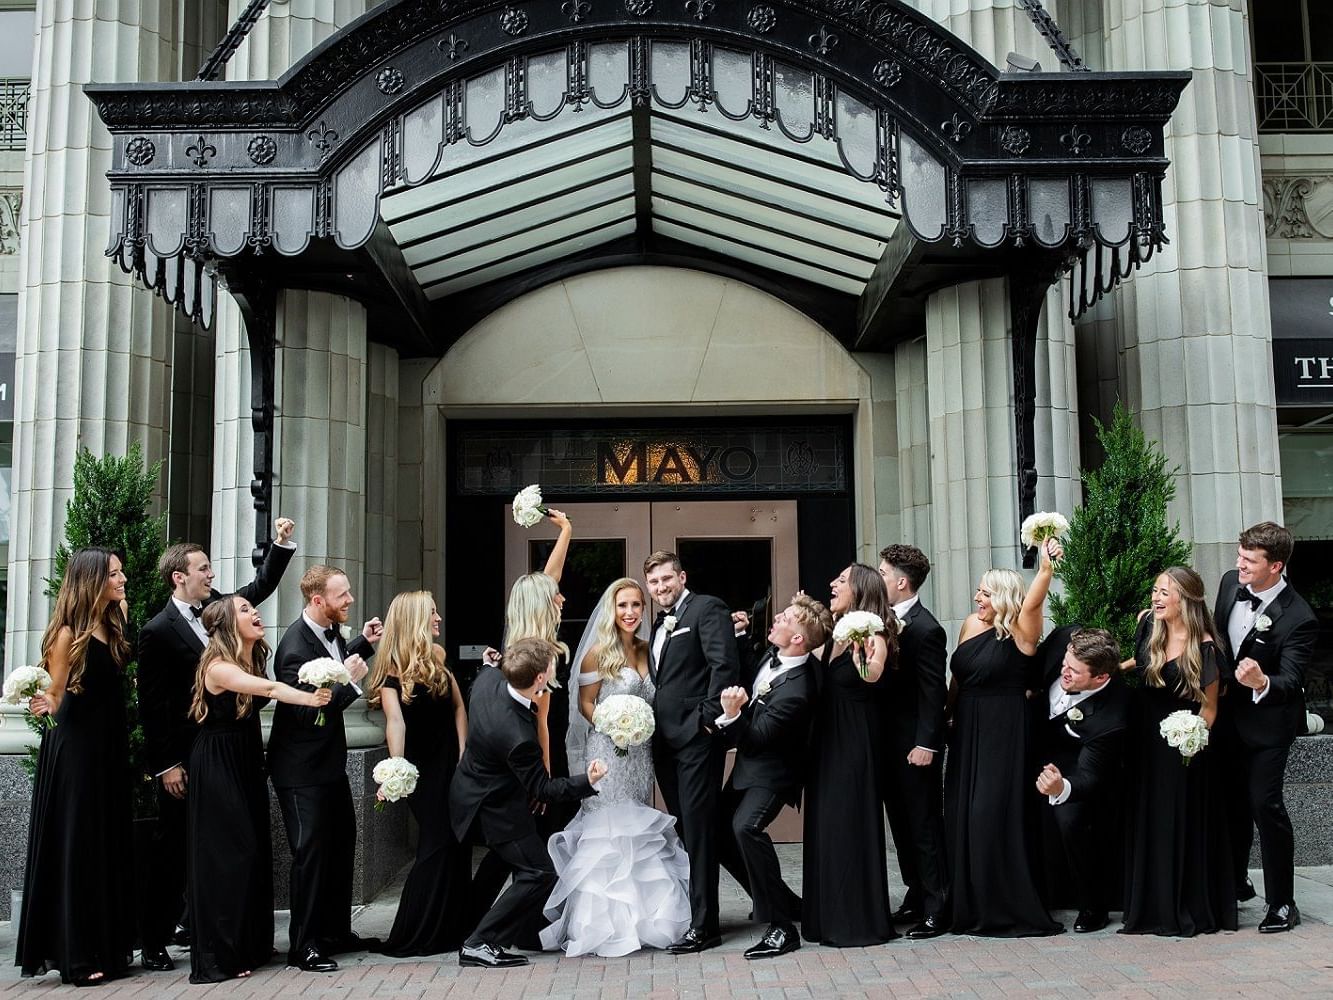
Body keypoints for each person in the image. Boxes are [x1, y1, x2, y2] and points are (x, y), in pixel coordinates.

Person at [135, 517, 296, 971]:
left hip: (235, 747)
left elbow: (259, 586)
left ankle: (220, 930)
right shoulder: (157, 630)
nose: (211, 574)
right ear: (179, 577)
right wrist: (166, 764)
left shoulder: (221, 608)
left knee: (229, 845)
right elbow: (153, 705)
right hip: (189, 755)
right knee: (174, 849)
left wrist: (280, 545)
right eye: (203, 568)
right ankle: (153, 940)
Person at [540, 577, 692, 957]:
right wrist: (613, 725)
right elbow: (585, 704)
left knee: (637, 824)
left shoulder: (649, 649)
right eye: (623, 605)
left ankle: (647, 921)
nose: (630, 612)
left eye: (637, 605)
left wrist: (638, 729)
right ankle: (603, 926)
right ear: (612, 609)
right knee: (608, 831)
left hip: (640, 755)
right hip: (607, 754)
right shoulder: (597, 653)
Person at [187, 595, 333, 983]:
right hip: (217, 762)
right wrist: (308, 696)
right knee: (229, 854)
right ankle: (218, 957)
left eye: (253, 608)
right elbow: (269, 690)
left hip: (245, 759)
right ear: (227, 625)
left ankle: (247, 945)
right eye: (246, 610)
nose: (256, 614)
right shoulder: (218, 667)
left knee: (251, 852)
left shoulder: (250, 656)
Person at [16, 547, 133, 986]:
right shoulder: (67, 633)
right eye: (115, 575)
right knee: (78, 846)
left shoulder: (112, 624)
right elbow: (57, 696)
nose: (123, 581)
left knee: (105, 842)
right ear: (93, 581)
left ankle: (107, 945)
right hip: (77, 753)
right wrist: (42, 701)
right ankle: (76, 955)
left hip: (107, 750)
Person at [451, 638, 606, 969]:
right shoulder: (518, 736)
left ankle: (489, 932)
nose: (553, 670)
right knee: (538, 872)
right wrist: (587, 782)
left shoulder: (488, 680)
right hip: (491, 806)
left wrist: (490, 662)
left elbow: (488, 669)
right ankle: (479, 943)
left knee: (513, 867)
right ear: (540, 678)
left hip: (476, 788)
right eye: (550, 666)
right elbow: (544, 789)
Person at [945, 540, 1063, 937]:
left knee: (990, 815)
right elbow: (957, 677)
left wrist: (1045, 569)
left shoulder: (1022, 630)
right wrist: (946, 714)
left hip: (1005, 730)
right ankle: (971, 906)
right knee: (964, 815)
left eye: (986, 591)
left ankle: (1004, 905)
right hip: (966, 729)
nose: (978, 597)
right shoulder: (968, 623)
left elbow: (1032, 604)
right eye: (978, 590)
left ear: (1005, 596)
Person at [267, 565, 382, 972]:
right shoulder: (293, 649)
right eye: (342, 596)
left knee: (340, 845)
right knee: (310, 855)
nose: (350, 600)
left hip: (329, 766)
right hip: (300, 772)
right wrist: (351, 685)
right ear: (319, 601)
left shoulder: (327, 634)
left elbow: (333, 663)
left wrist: (363, 644)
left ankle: (335, 931)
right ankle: (305, 945)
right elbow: (306, 713)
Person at [470, 508, 574, 932]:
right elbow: (542, 722)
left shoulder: (518, 638)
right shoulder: (541, 654)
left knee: (510, 852)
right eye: (557, 596)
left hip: (518, 761)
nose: (563, 597)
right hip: (533, 761)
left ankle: (478, 917)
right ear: (544, 605)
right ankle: (516, 926)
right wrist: (544, 784)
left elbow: (547, 580)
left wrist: (566, 530)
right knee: (532, 847)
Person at [1213, 522, 1317, 933]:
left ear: (1276, 566)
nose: (1239, 564)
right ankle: (1236, 882)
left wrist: (1263, 682)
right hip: (1225, 720)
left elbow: (1291, 681)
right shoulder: (1228, 584)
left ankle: (1282, 903)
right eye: (1240, 554)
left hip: (1269, 727)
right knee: (1229, 804)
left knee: (1264, 805)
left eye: (1249, 560)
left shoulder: (1299, 617)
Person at [1121, 567, 1236, 936]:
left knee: (1177, 821)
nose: (1155, 597)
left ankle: (1184, 904)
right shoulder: (1148, 627)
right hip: (1144, 745)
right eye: (1154, 590)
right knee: (1148, 820)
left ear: (1184, 598)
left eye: (1164, 592)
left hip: (1183, 751)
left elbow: (1211, 709)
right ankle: (1149, 905)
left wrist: (1190, 739)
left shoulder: (1205, 647)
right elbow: (1136, 665)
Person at [717, 594, 832, 960]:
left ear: (798, 639)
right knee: (718, 831)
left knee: (745, 828)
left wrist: (733, 714)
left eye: (785, 618)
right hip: (749, 769)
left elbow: (757, 738)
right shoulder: (776, 655)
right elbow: (757, 668)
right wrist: (738, 637)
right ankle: (781, 900)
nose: (777, 617)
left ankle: (781, 926)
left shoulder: (797, 691)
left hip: (773, 774)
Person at [645, 550, 741, 953]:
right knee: (688, 828)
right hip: (664, 744)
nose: (661, 587)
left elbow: (724, 667)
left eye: (667, 579)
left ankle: (705, 927)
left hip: (696, 740)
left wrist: (705, 720)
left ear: (682, 577)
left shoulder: (707, 608)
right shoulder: (658, 623)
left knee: (700, 832)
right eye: (654, 582)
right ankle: (769, 901)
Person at [368, 591, 471, 957]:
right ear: (414, 619)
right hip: (421, 771)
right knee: (435, 844)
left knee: (457, 844)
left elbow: (459, 708)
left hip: (452, 765)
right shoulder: (390, 673)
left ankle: (453, 928)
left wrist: (463, 756)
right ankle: (417, 931)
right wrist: (396, 768)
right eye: (432, 613)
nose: (439, 618)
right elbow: (395, 723)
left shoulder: (438, 657)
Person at [802, 564, 898, 947]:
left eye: (841, 580)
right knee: (826, 825)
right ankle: (824, 918)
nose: (832, 583)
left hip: (854, 741)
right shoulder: (832, 633)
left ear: (859, 590)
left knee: (848, 823)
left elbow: (872, 674)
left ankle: (855, 920)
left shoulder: (873, 631)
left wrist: (860, 653)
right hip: (826, 741)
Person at [1033, 627, 1130, 934]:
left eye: (1074, 671)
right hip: (1032, 743)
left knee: (1070, 819)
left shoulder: (1110, 718)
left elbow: (1090, 777)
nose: (1065, 672)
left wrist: (1061, 788)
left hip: (1076, 764)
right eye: (1066, 663)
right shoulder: (1064, 640)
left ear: (1101, 678)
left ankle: (1093, 904)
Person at [877, 544, 949, 939]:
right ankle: (916, 891)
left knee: (922, 825)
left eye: (884, 573)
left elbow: (932, 693)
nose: (879, 577)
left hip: (915, 747)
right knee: (900, 826)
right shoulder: (877, 620)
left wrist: (927, 744)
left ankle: (938, 905)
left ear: (902, 582)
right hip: (886, 744)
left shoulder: (926, 628)